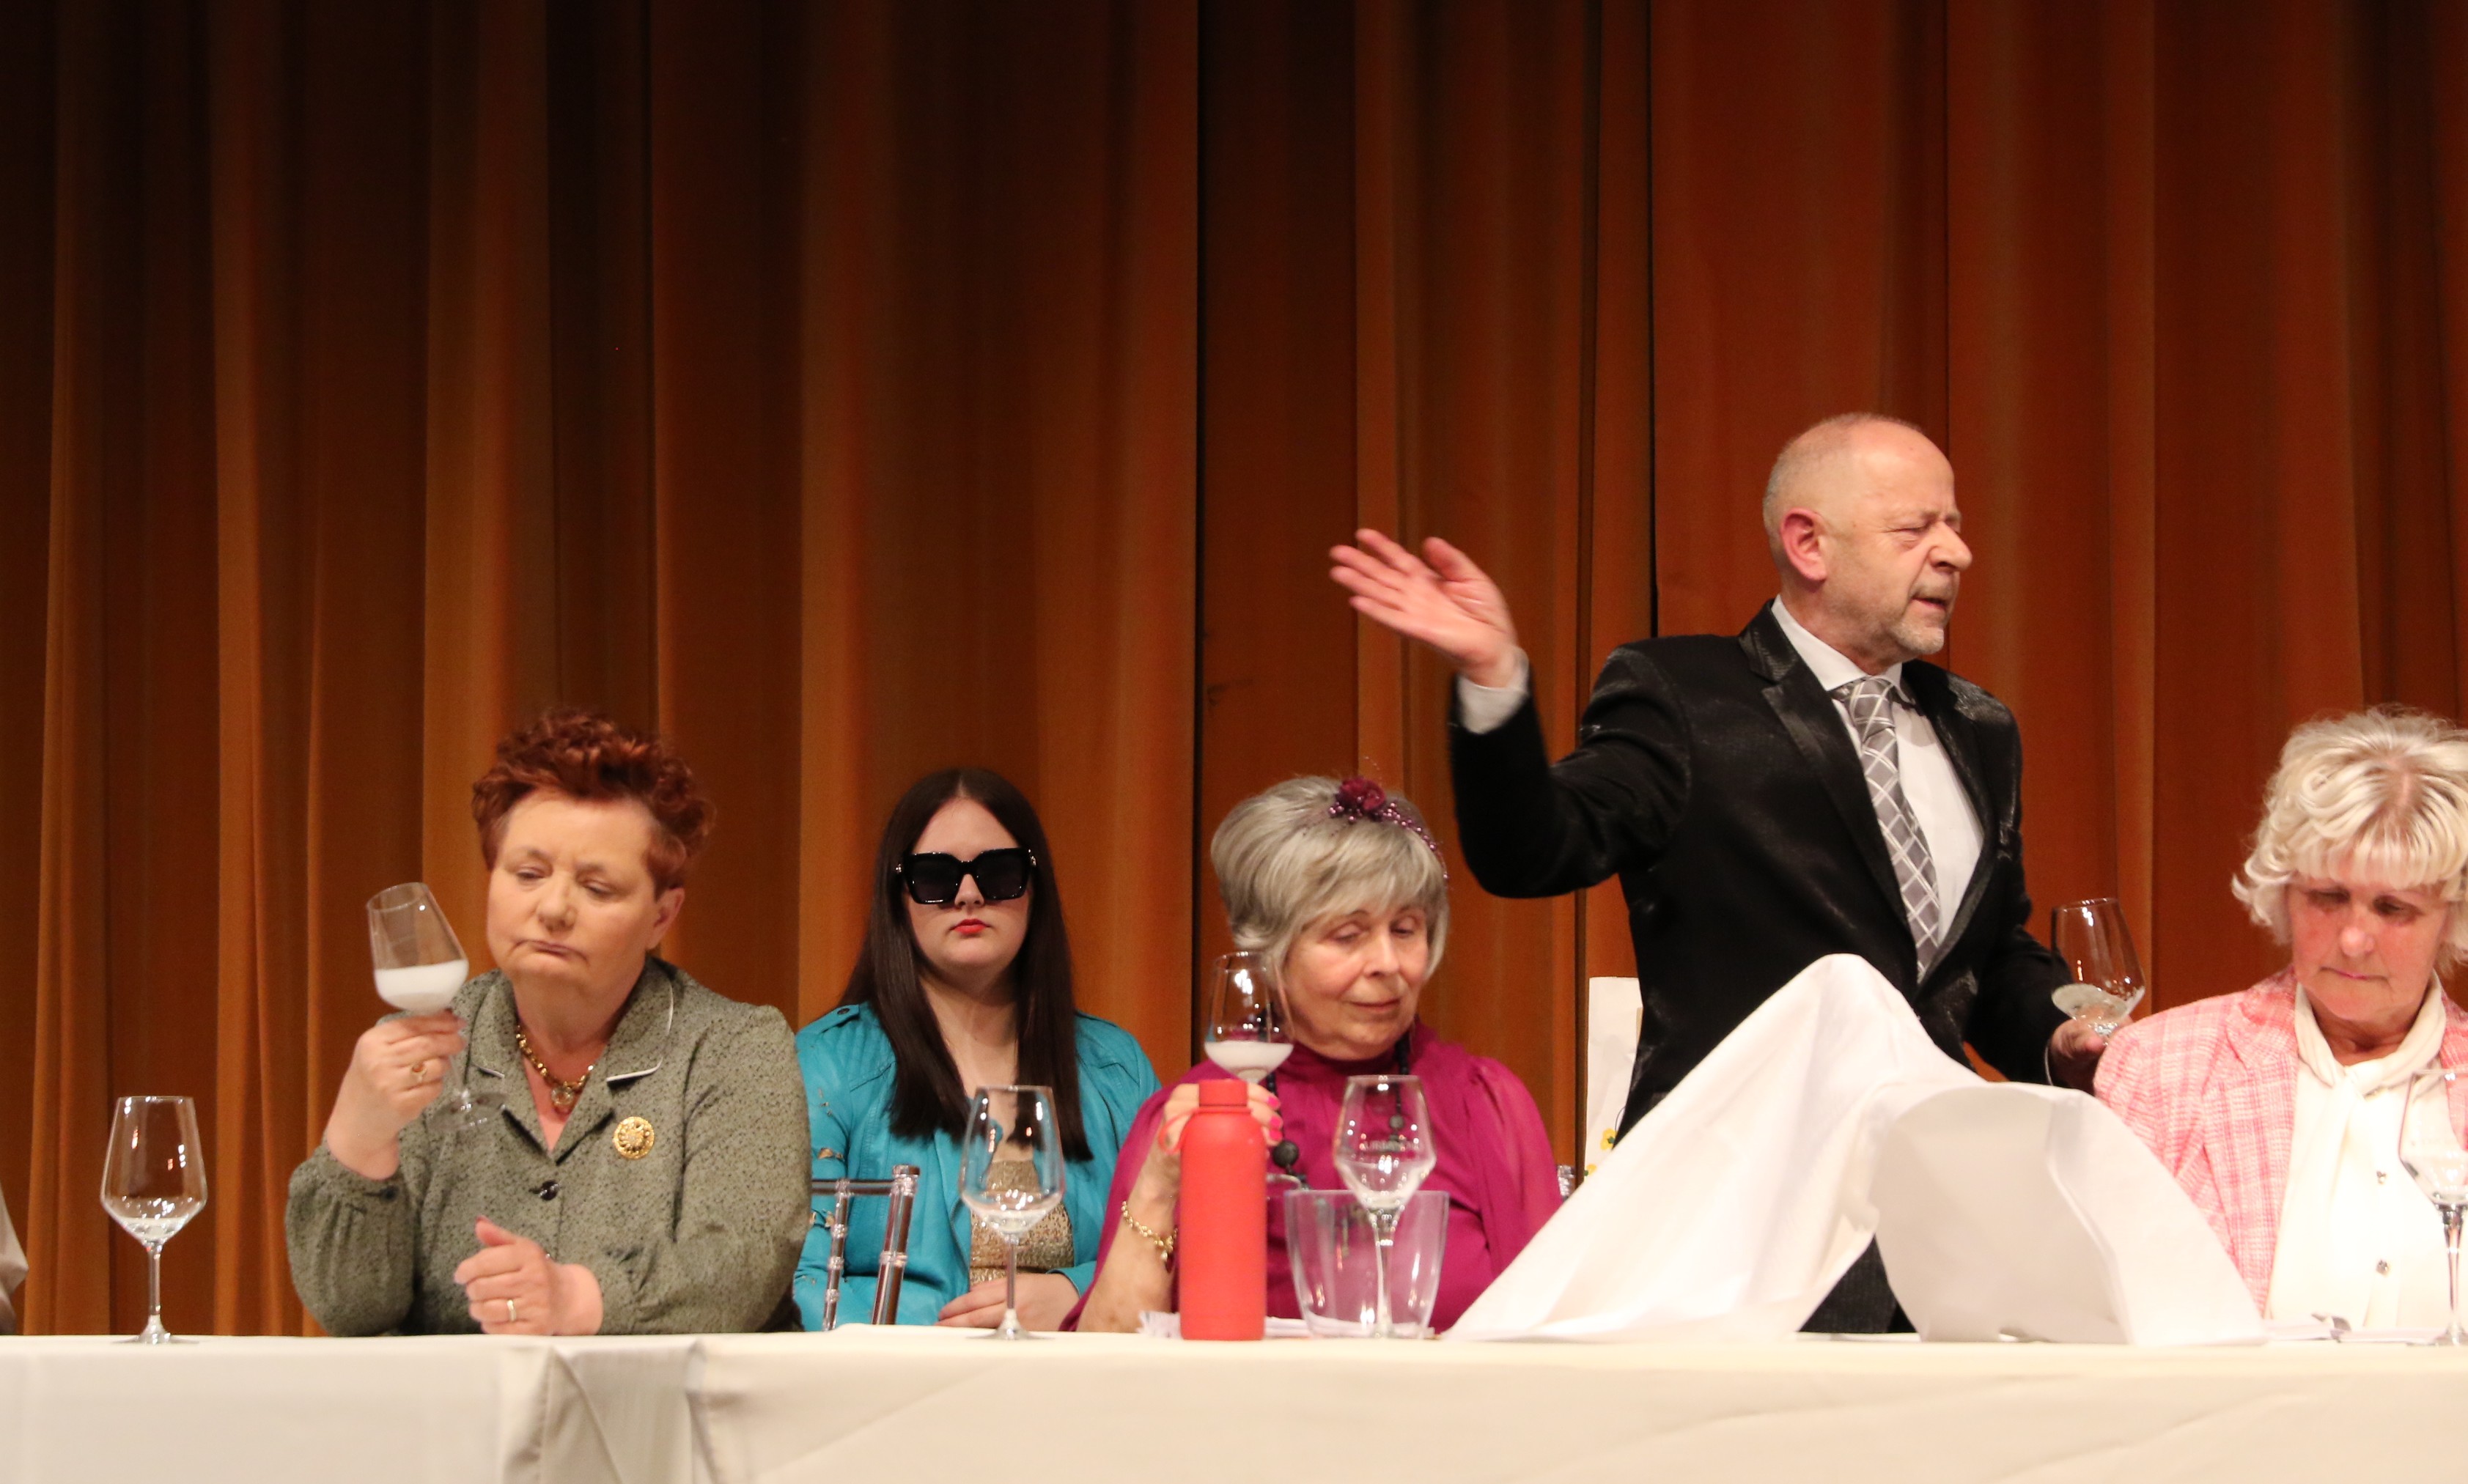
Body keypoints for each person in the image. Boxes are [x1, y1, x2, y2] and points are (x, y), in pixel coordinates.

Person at [1330, 412, 2096, 1332]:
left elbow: (1987, 956)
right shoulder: (1687, 696)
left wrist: (2060, 1035)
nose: (1957, 553)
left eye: (1955, 524)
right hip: (1745, 1223)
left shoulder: (1979, 725)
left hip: (1938, 1223)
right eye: (1915, 528)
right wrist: (1493, 678)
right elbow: (1534, 851)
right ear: (1807, 544)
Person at [286, 709, 810, 1335]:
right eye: (529, 875)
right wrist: (358, 1137)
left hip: (666, 1400)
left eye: (597, 887)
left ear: (662, 916)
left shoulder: (733, 1046)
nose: (554, 908)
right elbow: (352, 1308)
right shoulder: (424, 1044)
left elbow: (744, 1264)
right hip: (459, 1399)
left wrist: (577, 1297)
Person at [1072, 775, 1562, 1333]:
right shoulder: (1195, 1114)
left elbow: (1552, 1332)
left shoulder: (1483, 1105)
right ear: (1272, 951)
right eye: (1348, 936)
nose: (1388, 963)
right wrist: (1159, 1186)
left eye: (1405, 929)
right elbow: (1107, 1352)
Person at [2099, 709, 2468, 1323]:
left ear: (2450, 917)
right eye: (2327, 897)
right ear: (2282, 892)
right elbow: (2104, 1316)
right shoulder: (2160, 1069)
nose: (2353, 939)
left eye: (2392, 907)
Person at [794, 769, 1160, 1329]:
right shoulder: (827, 1063)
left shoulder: (1116, 1065)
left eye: (999, 873)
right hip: (892, 1380)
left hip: (1083, 1378)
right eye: (935, 876)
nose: (968, 894)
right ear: (898, 898)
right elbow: (795, 1282)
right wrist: (965, 1331)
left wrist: (1075, 1297)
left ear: (1034, 887)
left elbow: (1176, 1245)